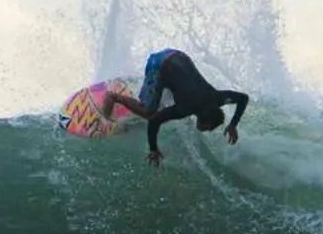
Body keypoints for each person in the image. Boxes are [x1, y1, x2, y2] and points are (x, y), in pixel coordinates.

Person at [102, 49, 248, 168]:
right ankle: (113, 97)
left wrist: (233, 124)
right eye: (207, 127)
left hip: (179, 56)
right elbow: (154, 121)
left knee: (165, 98)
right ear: (203, 121)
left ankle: (148, 95)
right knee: (149, 112)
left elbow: (243, 98)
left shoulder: (217, 98)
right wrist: (153, 148)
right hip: (160, 64)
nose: (205, 130)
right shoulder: (186, 108)